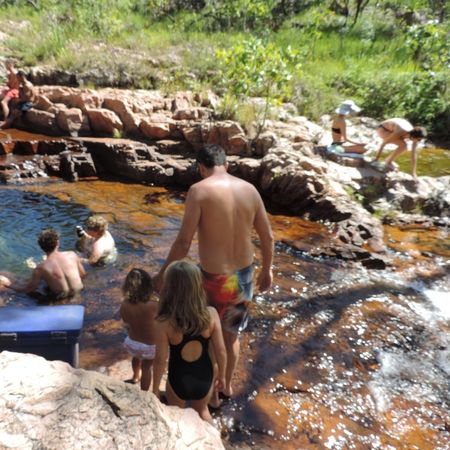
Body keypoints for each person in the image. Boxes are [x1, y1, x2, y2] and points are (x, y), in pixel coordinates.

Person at [155, 144, 274, 401]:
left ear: (201, 167)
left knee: (209, 334)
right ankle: (227, 386)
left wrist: (162, 274)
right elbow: (268, 237)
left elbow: (184, 243)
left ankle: (210, 395)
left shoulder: (199, 191)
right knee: (231, 337)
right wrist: (267, 270)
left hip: (214, 280)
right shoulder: (250, 190)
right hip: (243, 277)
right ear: (226, 164)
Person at [152, 260, 227, 424]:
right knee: (203, 411)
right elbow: (221, 351)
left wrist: (155, 389)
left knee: (176, 416)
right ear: (197, 286)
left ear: (169, 288)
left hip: (178, 379)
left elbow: (160, 360)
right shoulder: (211, 314)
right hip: (204, 377)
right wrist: (222, 375)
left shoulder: (164, 322)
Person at [1, 228, 85, 300]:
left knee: (9, 278)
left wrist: (9, 285)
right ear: (58, 243)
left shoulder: (40, 268)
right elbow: (82, 274)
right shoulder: (72, 255)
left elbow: (29, 289)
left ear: (41, 247)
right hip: (80, 292)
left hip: (59, 297)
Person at [120, 268, 158, 391]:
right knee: (147, 367)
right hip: (149, 347)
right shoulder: (153, 305)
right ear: (148, 286)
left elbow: (125, 322)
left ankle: (135, 377)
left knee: (136, 359)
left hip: (132, 344)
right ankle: (144, 393)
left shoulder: (124, 304)